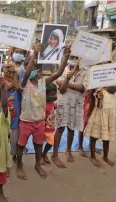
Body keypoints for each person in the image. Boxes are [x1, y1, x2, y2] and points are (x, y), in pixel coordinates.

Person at [16, 44, 71, 180]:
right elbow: (28, 73)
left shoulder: (43, 83)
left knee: (38, 144)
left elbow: (58, 73)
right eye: (32, 65)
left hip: (39, 121)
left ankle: (37, 164)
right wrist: (33, 55)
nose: (35, 69)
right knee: (21, 145)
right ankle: (19, 165)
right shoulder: (24, 83)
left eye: (37, 67)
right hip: (26, 121)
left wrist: (65, 58)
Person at [52, 55, 86, 168]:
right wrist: (65, 79)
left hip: (76, 105)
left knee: (71, 128)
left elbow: (82, 88)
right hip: (64, 103)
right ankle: (55, 154)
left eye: (75, 57)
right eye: (71, 57)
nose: (73, 59)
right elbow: (61, 90)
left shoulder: (84, 71)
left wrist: (65, 82)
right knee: (60, 128)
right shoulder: (64, 70)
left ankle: (68, 150)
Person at [85, 87, 116, 167]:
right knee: (94, 137)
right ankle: (92, 156)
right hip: (99, 116)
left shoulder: (114, 91)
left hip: (110, 118)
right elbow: (99, 106)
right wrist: (99, 98)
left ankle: (105, 156)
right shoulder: (100, 90)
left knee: (107, 138)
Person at [3, 67, 22, 164]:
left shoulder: (17, 93)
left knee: (14, 142)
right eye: (5, 80)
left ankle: (14, 155)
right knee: (4, 143)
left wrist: (14, 76)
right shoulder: (2, 92)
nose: (6, 82)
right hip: (4, 123)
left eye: (9, 81)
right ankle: (5, 159)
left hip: (14, 124)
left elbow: (19, 88)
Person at [41, 83, 57, 164]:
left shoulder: (52, 103)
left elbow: (54, 106)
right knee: (39, 142)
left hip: (50, 128)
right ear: (46, 95)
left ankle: (44, 154)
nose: (54, 96)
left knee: (51, 142)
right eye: (52, 95)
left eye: (55, 94)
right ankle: (40, 155)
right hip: (42, 128)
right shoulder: (42, 104)